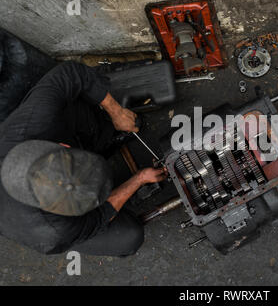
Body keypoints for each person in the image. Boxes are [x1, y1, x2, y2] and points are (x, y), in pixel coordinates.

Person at [0, 61, 167, 257]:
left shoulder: (32, 123)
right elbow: (98, 217)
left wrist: (117, 112)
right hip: (34, 221)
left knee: (83, 111)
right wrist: (138, 179)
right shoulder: (52, 232)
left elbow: (70, 72)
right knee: (129, 237)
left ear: (63, 147)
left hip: (47, 138)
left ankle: (103, 134)